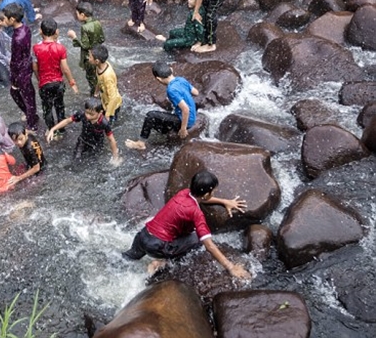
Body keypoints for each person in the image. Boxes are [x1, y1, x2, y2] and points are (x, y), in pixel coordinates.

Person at [122, 170, 251, 278]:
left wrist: (224, 201)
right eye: (213, 192)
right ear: (207, 194)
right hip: (157, 246)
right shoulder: (196, 213)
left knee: (126, 260)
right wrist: (230, 267)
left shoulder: (183, 193)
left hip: (143, 235)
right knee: (196, 239)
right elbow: (209, 245)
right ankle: (161, 262)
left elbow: (200, 198)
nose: (214, 194)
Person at [125, 61, 198, 150]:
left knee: (150, 116)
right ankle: (166, 131)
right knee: (162, 116)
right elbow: (196, 92)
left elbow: (185, 109)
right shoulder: (181, 80)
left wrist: (183, 129)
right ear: (171, 70)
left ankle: (141, 143)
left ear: (158, 79)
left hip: (185, 121)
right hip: (192, 117)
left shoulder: (171, 90)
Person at [33, 18, 79, 134]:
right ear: (56, 32)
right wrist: (72, 83)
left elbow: (34, 68)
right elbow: (65, 69)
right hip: (58, 83)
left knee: (47, 109)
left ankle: (51, 130)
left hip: (44, 85)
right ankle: (61, 130)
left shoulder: (35, 49)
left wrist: (40, 80)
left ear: (40, 31)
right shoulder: (60, 48)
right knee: (60, 106)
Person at [46, 97, 121, 165]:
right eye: (87, 113)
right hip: (82, 141)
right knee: (75, 162)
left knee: (92, 164)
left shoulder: (104, 123)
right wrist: (53, 129)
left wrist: (115, 157)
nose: (88, 116)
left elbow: (111, 139)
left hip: (97, 145)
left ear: (100, 113)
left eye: (91, 114)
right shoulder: (82, 114)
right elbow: (67, 121)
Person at [4, 3, 38, 131]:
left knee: (23, 96)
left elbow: (16, 61)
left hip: (21, 71)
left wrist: (14, 78)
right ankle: (31, 116)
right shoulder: (25, 28)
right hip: (26, 66)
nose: (4, 20)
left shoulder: (17, 38)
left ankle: (32, 124)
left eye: (6, 18)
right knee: (28, 96)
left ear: (12, 19)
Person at [67, 2, 104, 97]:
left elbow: (85, 46)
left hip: (89, 57)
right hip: (98, 54)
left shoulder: (84, 27)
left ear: (83, 15)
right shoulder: (97, 23)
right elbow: (102, 39)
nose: (77, 16)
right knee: (98, 76)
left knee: (91, 79)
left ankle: (94, 97)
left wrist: (74, 37)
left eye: (77, 14)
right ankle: (99, 93)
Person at [89, 44, 122, 124]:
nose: (88, 58)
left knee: (108, 126)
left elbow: (113, 98)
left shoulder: (107, 76)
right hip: (105, 101)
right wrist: (96, 93)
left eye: (90, 57)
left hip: (112, 105)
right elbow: (99, 80)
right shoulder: (100, 67)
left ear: (97, 61)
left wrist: (108, 115)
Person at [7, 122, 46, 186]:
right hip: (33, 163)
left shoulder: (29, 148)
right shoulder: (27, 135)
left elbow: (37, 168)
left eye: (20, 139)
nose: (18, 142)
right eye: (15, 140)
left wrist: (19, 178)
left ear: (25, 134)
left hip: (40, 171)